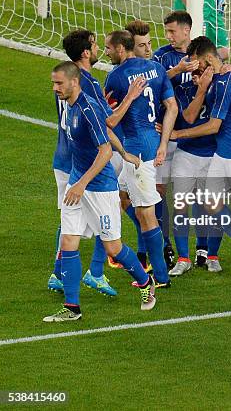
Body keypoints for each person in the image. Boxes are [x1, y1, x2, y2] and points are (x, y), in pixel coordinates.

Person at [44, 62, 156, 322]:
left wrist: (83, 182)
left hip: (100, 189)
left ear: (74, 82)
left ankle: (145, 282)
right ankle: (72, 308)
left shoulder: (87, 108)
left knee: (113, 247)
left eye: (59, 83)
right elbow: (106, 132)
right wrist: (124, 153)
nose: (55, 88)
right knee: (68, 242)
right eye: (53, 83)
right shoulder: (69, 107)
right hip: (78, 185)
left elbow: (104, 150)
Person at [48, 29, 142, 296]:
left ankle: (69, 274)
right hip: (83, 160)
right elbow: (108, 121)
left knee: (72, 217)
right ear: (87, 52)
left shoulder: (64, 78)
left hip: (64, 157)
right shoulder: (81, 82)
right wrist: (130, 97)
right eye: (95, 44)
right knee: (100, 213)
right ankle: (94, 272)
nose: (100, 47)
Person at [171, 36, 231, 278]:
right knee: (212, 203)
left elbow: (213, 126)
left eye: (195, 62)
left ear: (207, 58)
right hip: (223, 152)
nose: (194, 67)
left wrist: (179, 133)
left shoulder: (224, 83)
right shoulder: (219, 79)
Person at [104, 30, 178, 287]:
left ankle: (160, 275)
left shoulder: (116, 76)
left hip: (135, 151)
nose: (107, 52)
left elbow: (108, 119)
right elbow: (172, 106)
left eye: (109, 48)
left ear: (122, 49)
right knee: (123, 197)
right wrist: (164, 143)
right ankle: (147, 255)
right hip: (149, 144)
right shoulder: (157, 69)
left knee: (146, 214)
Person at [153, 11, 209, 268]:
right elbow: (150, 86)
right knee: (161, 191)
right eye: (166, 32)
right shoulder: (162, 57)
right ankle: (164, 245)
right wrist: (175, 71)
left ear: (187, 30)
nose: (168, 36)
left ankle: (203, 249)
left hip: (194, 139)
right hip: (166, 135)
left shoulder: (202, 53)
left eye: (172, 31)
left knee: (198, 196)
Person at [168, 66, 218, 276]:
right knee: (180, 207)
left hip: (214, 155)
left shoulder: (219, 90)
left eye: (202, 74)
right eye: (195, 74)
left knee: (211, 208)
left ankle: (209, 253)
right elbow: (182, 118)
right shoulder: (182, 90)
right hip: (186, 155)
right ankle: (183, 258)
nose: (197, 78)